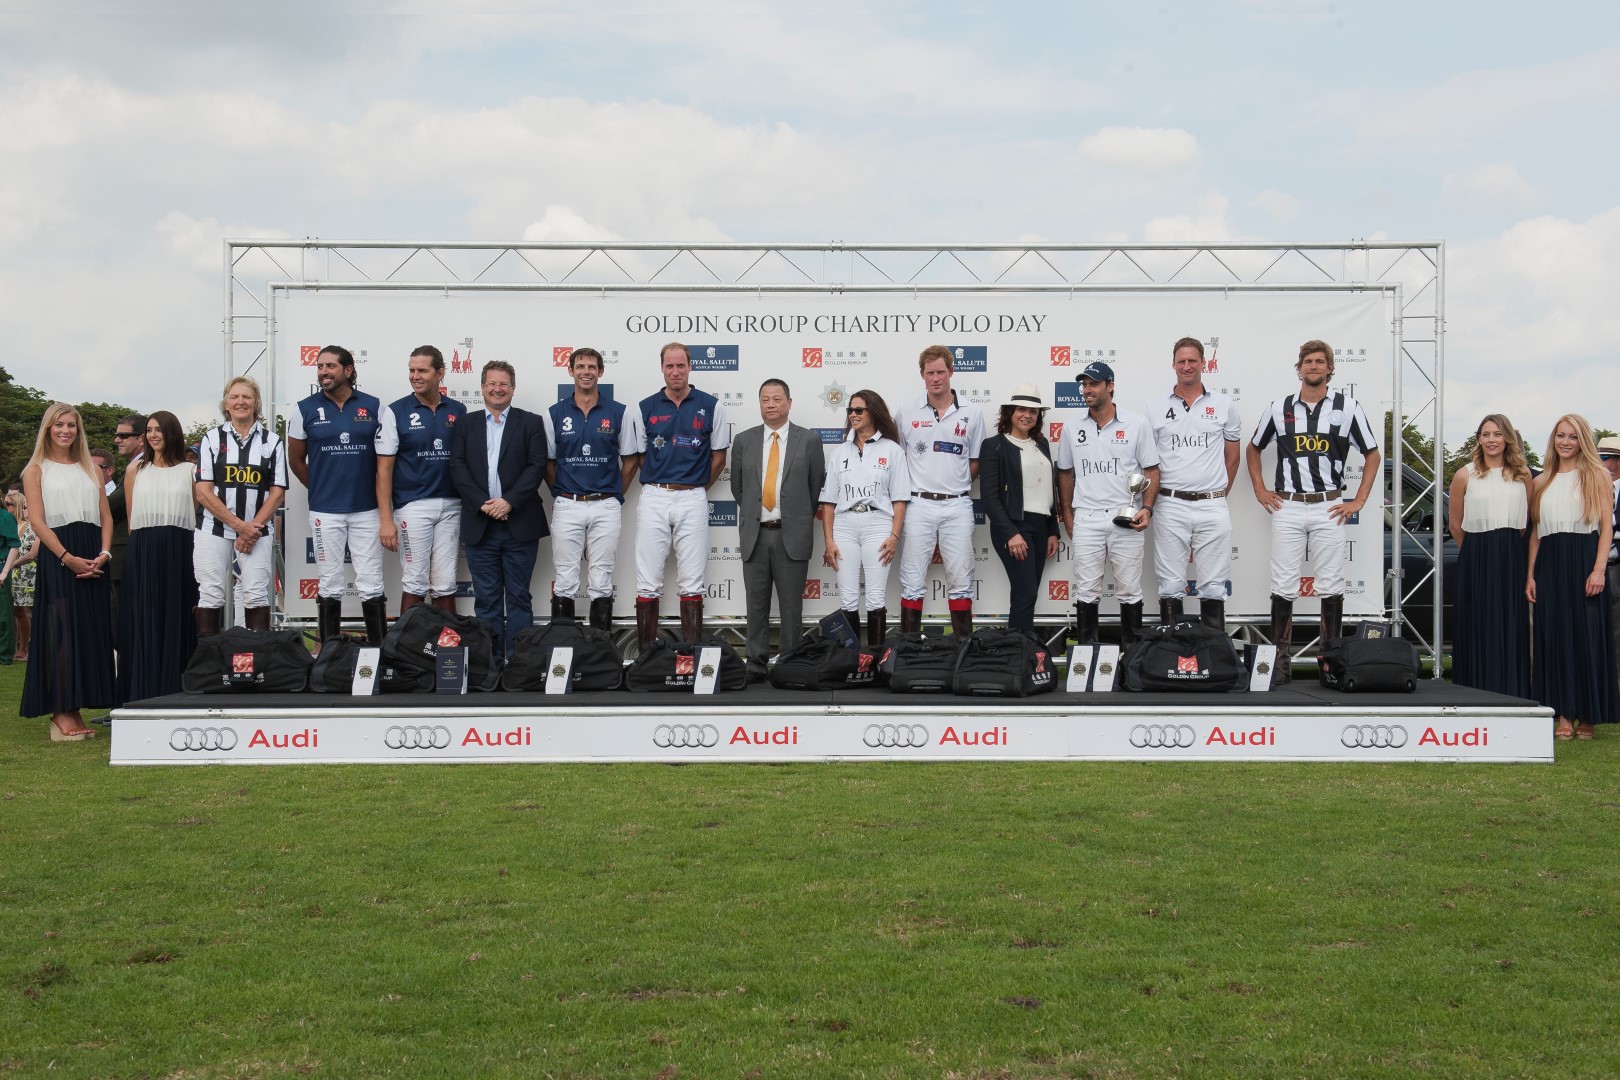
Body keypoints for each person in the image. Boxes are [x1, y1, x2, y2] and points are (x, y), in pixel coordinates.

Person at [1246, 340, 1380, 684]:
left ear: (1330, 368)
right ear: (1299, 367)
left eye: (1320, 361)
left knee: (1332, 585)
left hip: (1328, 505)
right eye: (1308, 361)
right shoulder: (1280, 408)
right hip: (1288, 505)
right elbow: (1253, 448)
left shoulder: (1347, 408)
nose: (1314, 366)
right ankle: (1279, 664)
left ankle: (1330, 664)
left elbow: (1373, 454)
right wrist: (1261, 489)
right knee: (1283, 585)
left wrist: (1359, 500)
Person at [287, 345, 398, 643]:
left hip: (367, 510)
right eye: (320, 366)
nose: (323, 371)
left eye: (330, 366)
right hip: (325, 510)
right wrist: (322, 485)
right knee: (330, 582)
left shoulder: (375, 407)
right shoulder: (303, 408)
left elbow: (385, 462)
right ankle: (328, 656)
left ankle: (378, 652)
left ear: (348, 370)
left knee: (372, 581)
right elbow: (296, 460)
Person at [19, 403, 115, 740]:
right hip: (59, 552)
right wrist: (65, 556)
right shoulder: (35, 469)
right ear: (47, 429)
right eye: (59, 425)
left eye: (71, 425)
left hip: (92, 552)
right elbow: (37, 521)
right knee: (61, 631)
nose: (65, 431)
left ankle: (77, 705)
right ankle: (61, 712)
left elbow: (106, 516)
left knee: (89, 630)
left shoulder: (90, 467)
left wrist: (103, 553)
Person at [628, 342, 732, 649]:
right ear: (662, 368)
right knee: (647, 581)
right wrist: (664, 482)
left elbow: (718, 458)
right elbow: (640, 457)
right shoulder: (644, 407)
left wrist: (694, 486)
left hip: (693, 498)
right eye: (669, 366)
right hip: (655, 496)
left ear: (690, 367)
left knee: (692, 581)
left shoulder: (712, 406)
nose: (675, 371)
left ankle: (692, 655)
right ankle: (647, 656)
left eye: (681, 365)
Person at [1054, 361, 1160, 646]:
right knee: (1086, 591)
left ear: (1110, 386)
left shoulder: (1136, 423)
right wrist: (1067, 512)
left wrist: (1147, 508)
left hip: (1124, 516)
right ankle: (1087, 659)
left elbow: (1151, 470)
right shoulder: (1072, 427)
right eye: (1084, 384)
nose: (1087, 390)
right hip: (1086, 516)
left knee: (1129, 590)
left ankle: (1133, 661)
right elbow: (1064, 471)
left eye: (1093, 384)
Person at [449, 360, 549, 657]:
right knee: (487, 600)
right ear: (482, 387)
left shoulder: (530, 422)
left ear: (513, 389)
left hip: (520, 523)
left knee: (519, 597)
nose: (497, 389)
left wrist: (508, 502)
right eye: (492, 383)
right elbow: (457, 466)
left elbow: (536, 466)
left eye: (503, 384)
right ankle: (489, 663)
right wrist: (484, 504)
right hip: (481, 525)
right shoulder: (466, 423)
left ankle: (520, 664)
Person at [1527, 414, 1617, 739]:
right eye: (1560, 436)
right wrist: (1530, 576)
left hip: (1584, 558)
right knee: (1554, 637)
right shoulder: (1541, 481)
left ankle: (1588, 716)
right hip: (1549, 563)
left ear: (1583, 441)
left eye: (1573, 437)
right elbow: (1536, 533)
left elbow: (1607, 528)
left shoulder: (1597, 475)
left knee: (1587, 637)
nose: (1566, 442)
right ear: (1553, 440)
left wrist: (1598, 569)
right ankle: (1563, 715)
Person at [731, 378, 827, 681]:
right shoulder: (744, 441)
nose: (770, 405)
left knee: (791, 607)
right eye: (765, 399)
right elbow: (739, 488)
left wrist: (795, 517)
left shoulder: (808, 440)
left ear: (789, 402)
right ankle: (755, 665)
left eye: (776, 399)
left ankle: (789, 663)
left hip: (791, 534)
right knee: (755, 604)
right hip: (755, 535)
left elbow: (814, 490)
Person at [1147, 337, 1242, 632]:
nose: (1187, 366)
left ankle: (1212, 652)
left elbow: (1233, 458)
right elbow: (1149, 464)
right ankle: (1171, 652)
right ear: (1173, 365)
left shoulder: (1224, 405)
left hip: (1212, 504)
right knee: (1171, 581)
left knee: (1213, 583)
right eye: (1181, 361)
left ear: (1204, 363)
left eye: (1192, 361)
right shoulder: (1155, 407)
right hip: (1170, 503)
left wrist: (1215, 494)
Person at [543, 347, 638, 632]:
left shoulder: (619, 412)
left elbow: (631, 460)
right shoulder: (554, 413)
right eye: (581, 366)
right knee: (565, 578)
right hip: (568, 503)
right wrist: (560, 491)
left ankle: (600, 652)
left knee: (601, 579)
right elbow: (547, 462)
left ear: (601, 372)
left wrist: (614, 495)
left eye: (592, 367)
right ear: (570, 371)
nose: (586, 371)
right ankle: (563, 650)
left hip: (605, 504)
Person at [894, 344, 986, 636]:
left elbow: (976, 461)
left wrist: (954, 483)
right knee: (912, 579)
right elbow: (898, 460)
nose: (936, 378)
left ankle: (963, 648)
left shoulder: (972, 412)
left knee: (960, 580)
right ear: (922, 375)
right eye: (930, 373)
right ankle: (909, 648)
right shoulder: (907, 411)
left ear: (951, 372)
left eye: (941, 372)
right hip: (918, 504)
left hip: (957, 504)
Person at [1447, 414, 1534, 697]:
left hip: (1511, 553)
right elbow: (1455, 524)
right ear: (1478, 439)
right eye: (1486, 434)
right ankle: (1473, 691)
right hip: (1476, 554)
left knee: (1510, 621)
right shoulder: (1465, 474)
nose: (1491, 440)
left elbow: (1527, 522)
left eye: (1497, 434)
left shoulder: (1524, 475)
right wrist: (1476, 554)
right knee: (1477, 621)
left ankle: (1511, 690)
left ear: (1507, 438)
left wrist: (1506, 548)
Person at [194, 376, 288, 634]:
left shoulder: (272, 441)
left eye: (246, 397)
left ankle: (253, 665)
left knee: (256, 594)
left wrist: (251, 529)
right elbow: (203, 492)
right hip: (214, 529)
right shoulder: (211, 439)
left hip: (257, 532)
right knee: (211, 594)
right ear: (226, 403)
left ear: (256, 402)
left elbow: (277, 491)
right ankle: (211, 663)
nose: (240, 402)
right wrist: (238, 526)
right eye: (234, 397)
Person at [378, 346, 466, 617]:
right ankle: (405, 651)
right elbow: (383, 469)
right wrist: (385, 519)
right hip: (413, 507)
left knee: (445, 583)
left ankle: (446, 651)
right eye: (412, 370)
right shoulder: (394, 411)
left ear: (440, 373)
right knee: (415, 580)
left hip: (452, 505)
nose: (415, 376)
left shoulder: (458, 410)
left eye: (422, 370)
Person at [820, 390, 910, 647]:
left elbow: (900, 499)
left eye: (859, 410)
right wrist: (828, 539)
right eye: (850, 410)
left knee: (875, 597)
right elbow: (828, 502)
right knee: (847, 598)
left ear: (874, 412)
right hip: (845, 526)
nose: (853, 415)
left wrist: (894, 535)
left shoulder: (892, 451)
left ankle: (875, 660)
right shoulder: (840, 452)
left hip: (878, 525)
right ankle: (851, 660)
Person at [119, 410, 198, 701]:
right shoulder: (135, 471)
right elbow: (130, 518)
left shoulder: (191, 471)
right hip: (142, 547)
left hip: (179, 549)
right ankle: (140, 690)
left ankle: (177, 689)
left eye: (159, 430)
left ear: (172, 433)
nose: (153, 435)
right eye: (149, 430)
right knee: (143, 618)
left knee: (177, 615)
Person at [979, 383, 1059, 634]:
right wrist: (1010, 533)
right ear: (1010, 412)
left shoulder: (1042, 444)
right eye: (1021, 409)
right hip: (1014, 526)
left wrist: (1053, 530)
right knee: (1025, 591)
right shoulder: (994, 445)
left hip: (1040, 526)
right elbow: (989, 497)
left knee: (1029, 592)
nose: (1027, 415)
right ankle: (1020, 650)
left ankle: (1021, 648)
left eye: (1033, 411)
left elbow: (1049, 490)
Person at [2, 490, 39, 662]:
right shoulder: (15, 525)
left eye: (9, 504)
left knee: (28, 612)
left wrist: (9, 567)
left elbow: (30, 553)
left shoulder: (33, 526)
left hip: (28, 573)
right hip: (16, 572)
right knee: (16, 610)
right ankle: (19, 646)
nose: (25, 510)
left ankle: (25, 648)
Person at [1598, 434, 1620, 684]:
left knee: (1615, 628)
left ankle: (1611, 679)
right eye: (1602, 456)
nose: (1604, 463)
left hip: (1615, 566)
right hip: (1591, 566)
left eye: (1605, 457)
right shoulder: (1590, 485)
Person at [0, 488, 16, 664]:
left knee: (3, 615)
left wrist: (4, 571)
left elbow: (14, 544)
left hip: (1, 566)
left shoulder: (4, 517)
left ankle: (4, 655)